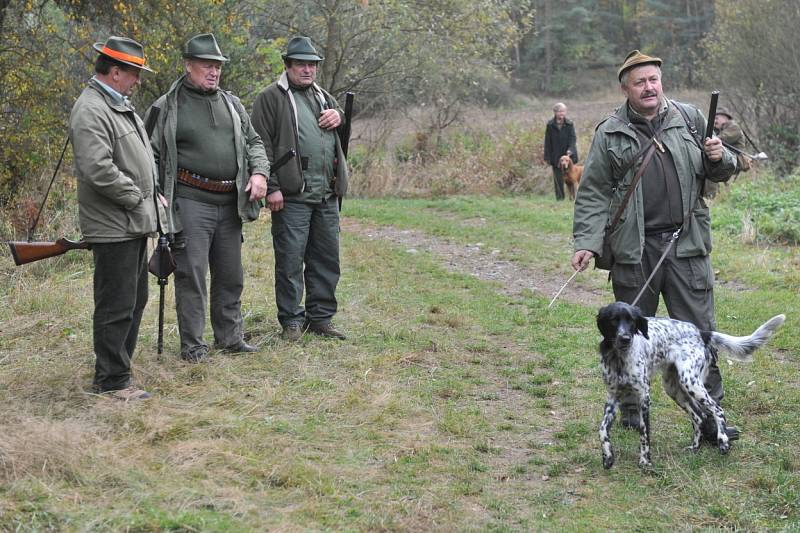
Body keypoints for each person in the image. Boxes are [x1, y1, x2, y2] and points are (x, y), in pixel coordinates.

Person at [571, 50, 739, 443]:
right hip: (635, 250)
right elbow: (593, 192)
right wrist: (587, 243)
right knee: (628, 335)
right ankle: (632, 411)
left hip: (686, 245)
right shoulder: (609, 132)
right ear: (625, 88)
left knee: (699, 334)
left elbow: (721, 170)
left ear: (660, 82)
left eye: (653, 79)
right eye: (639, 82)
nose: (649, 87)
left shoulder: (690, 118)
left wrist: (720, 156)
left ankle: (712, 418)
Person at [144, 33, 270, 362]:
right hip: (189, 201)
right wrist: (155, 195)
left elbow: (254, 142)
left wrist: (259, 173)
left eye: (217, 66)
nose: (213, 72)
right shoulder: (166, 106)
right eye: (206, 66)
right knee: (192, 276)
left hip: (229, 202)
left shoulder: (232, 104)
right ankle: (193, 347)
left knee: (231, 275)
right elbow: (147, 155)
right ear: (188, 66)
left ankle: (229, 338)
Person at [69, 36, 162, 400]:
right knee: (116, 305)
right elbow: (98, 169)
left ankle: (120, 372)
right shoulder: (91, 109)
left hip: (131, 221)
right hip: (115, 225)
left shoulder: (115, 105)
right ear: (116, 71)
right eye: (134, 73)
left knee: (133, 301)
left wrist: (151, 196)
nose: (138, 80)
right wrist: (138, 198)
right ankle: (111, 383)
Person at [251, 36, 349, 342]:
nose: (307, 70)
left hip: (326, 194)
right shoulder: (270, 97)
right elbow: (259, 143)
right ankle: (291, 321)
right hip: (291, 196)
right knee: (291, 260)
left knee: (326, 258)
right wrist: (272, 187)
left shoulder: (324, 97)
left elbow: (337, 129)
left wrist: (340, 116)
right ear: (288, 66)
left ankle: (319, 318)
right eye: (301, 64)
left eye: (312, 65)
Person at [543, 102, 578, 201]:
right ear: (555, 112)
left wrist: (571, 149)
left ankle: (573, 198)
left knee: (572, 179)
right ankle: (560, 199)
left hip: (568, 156)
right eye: (559, 111)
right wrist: (547, 157)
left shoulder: (569, 124)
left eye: (563, 111)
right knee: (558, 179)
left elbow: (573, 138)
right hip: (556, 156)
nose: (562, 113)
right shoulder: (550, 125)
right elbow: (547, 141)